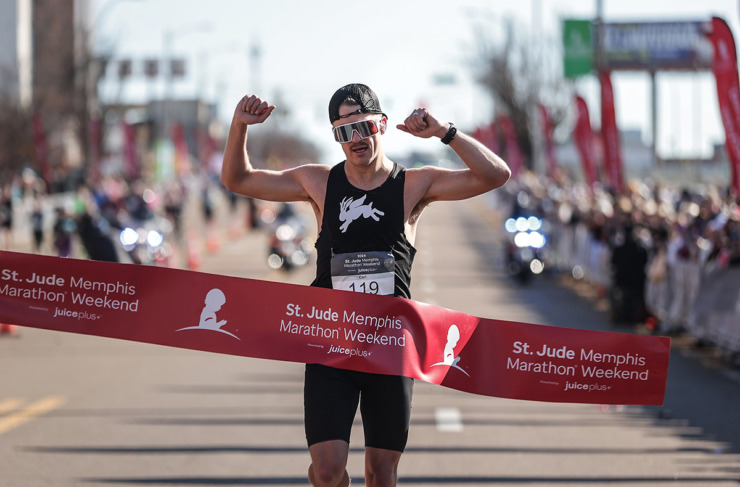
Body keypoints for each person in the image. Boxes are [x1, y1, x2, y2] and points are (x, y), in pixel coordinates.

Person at [221, 83, 511, 487]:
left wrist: (444, 132)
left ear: (382, 125)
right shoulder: (318, 182)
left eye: (362, 127)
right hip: (330, 344)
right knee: (327, 470)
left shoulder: (414, 185)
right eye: (343, 132)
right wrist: (239, 125)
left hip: (389, 348)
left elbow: (496, 175)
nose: (355, 139)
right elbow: (238, 180)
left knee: (381, 474)